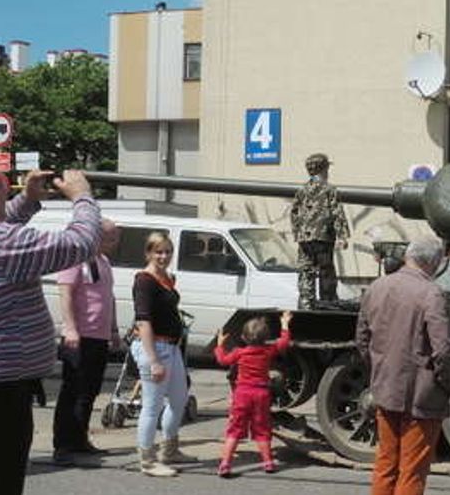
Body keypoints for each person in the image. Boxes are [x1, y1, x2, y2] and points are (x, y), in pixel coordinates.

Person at [0, 169, 100, 495]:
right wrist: (83, 196)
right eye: (3, 188)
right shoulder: (4, 244)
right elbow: (80, 243)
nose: (9, 192)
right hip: (0, 394)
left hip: (1, 388)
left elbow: (5, 232)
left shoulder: (3, 240)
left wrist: (27, 201)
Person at [355, 235, 450, 495]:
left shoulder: (378, 286)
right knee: (411, 473)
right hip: (420, 396)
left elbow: (362, 339)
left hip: (386, 390)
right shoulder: (432, 292)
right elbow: (442, 350)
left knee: (386, 465)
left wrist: (378, 374)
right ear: (435, 261)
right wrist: (446, 384)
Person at [52, 218, 122, 465]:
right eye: (112, 238)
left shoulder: (103, 262)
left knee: (90, 391)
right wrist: (70, 328)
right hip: (80, 336)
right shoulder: (75, 259)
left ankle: (79, 438)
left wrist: (113, 329)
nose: (115, 243)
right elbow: (66, 294)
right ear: (96, 236)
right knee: (72, 390)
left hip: (99, 336)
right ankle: (63, 445)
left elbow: (108, 297)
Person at [131, 231, 195, 478]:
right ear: (148, 253)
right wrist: (153, 360)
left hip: (171, 347)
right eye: (158, 251)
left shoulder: (167, 278)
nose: (164, 256)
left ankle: (169, 450)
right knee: (152, 406)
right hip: (154, 348)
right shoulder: (144, 281)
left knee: (179, 399)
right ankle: (147, 461)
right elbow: (144, 321)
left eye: (167, 251)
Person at [214, 311, 293, 477]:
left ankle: (226, 463)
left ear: (243, 337)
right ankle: (268, 462)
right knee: (263, 429)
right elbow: (284, 343)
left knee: (234, 430)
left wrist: (219, 345)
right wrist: (285, 323)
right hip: (261, 395)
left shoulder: (239, 353)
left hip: (242, 394)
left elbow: (222, 360)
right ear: (266, 338)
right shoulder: (268, 351)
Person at [291, 153, 350, 310]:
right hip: (323, 237)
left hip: (305, 239)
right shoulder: (329, 189)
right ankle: (327, 303)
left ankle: (306, 302)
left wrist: (298, 233)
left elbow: (294, 212)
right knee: (326, 270)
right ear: (323, 169)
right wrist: (342, 236)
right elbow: (337, 212)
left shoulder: (302, 190)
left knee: (306, 270)